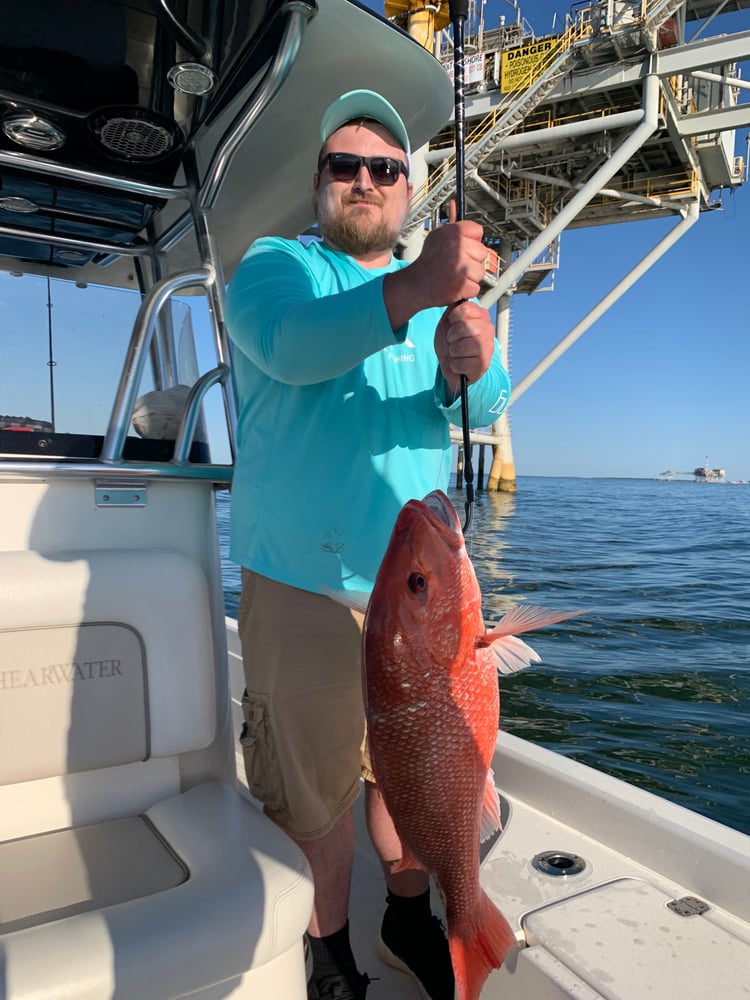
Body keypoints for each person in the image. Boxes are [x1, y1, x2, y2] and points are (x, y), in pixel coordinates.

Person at [225, 89, 511, 1000]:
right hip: (301, 582)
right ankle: (331, 954)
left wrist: (475, 353)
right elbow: (291, 345)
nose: (363, 179)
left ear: (407, 191)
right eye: (343, 164)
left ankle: (408, 913)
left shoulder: (435, 301)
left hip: (419, 592)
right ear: (317, 185)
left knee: (403, 777)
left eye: (385, 168)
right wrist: (420, 289)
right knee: (316, 793)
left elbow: (486, 399)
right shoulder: (276, 269)